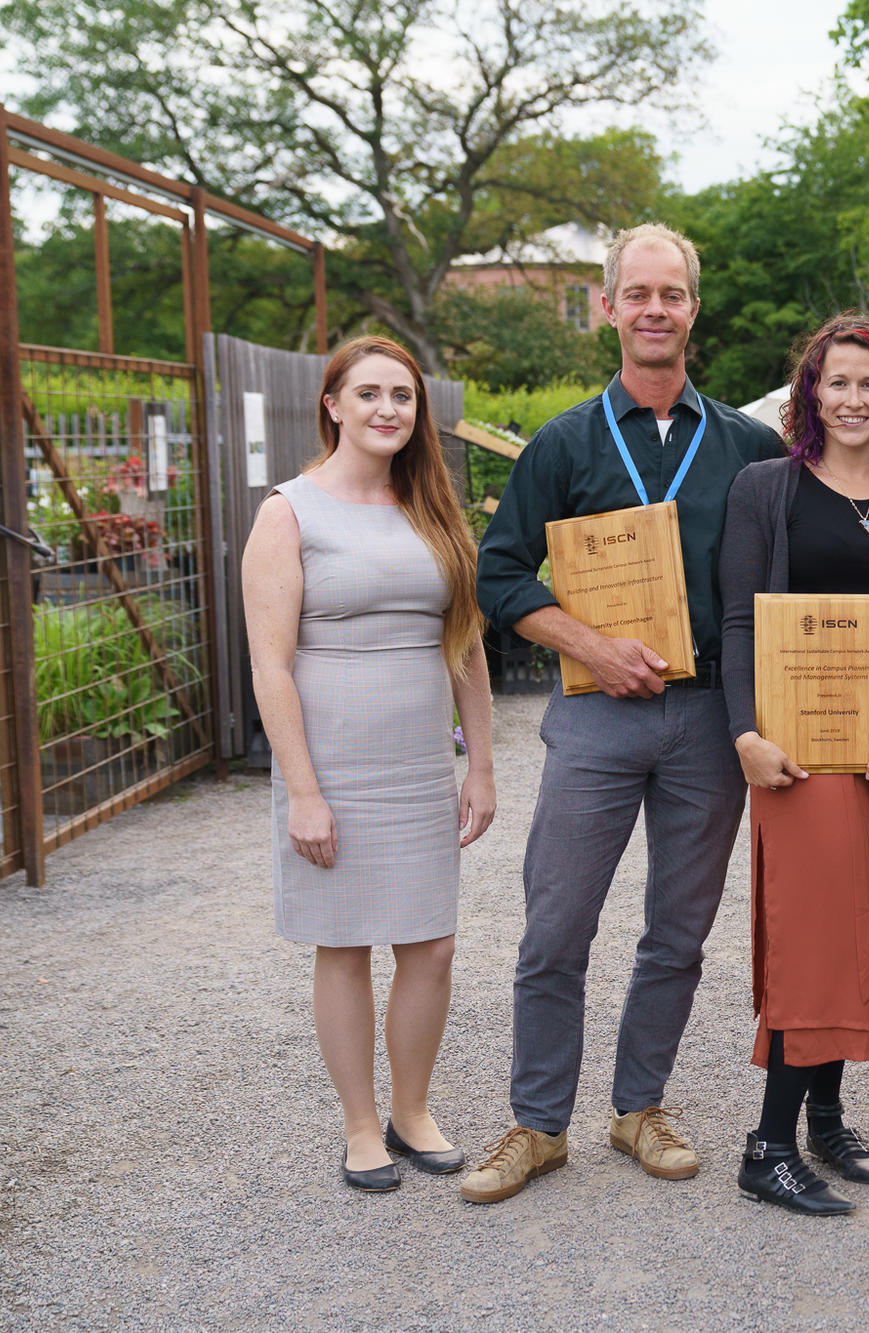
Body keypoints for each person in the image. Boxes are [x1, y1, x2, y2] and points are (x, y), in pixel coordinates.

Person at [462, 223, 783, 1204]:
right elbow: (500, 573)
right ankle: (536, 1122)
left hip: (708, 719)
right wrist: (592, 645)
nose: (653, 309)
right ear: (606, 307)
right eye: (635, 293)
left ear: (694, 309)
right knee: (555, 926)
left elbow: (789, 574)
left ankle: (638, 1106)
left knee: (677, 932)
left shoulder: (749, 447)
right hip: (598, 714)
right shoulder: (561, 442)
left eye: (671, 294)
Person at [719, 312, 869, 1215]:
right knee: (815, 938)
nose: (853, 397)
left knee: (866, 930)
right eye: (837, 381)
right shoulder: (764, 490)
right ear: (810, 394)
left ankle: (826, 1115)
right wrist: (745, 733)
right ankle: (767, 1144)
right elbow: (740, 620)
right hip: (794, 755)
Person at [243, 335, 496, 1193]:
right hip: (334, 771)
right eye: (370, 394)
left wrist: (483, 764)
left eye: (403, 396)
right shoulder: (289, 512)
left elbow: (464, 646)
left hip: (419, 770)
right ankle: (360, 1123)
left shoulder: (431, 509)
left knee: (432, 946)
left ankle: (412, 1108)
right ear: (333, 405)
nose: (388, 409)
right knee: (345, 947)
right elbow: (270, 665)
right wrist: (303, 792)